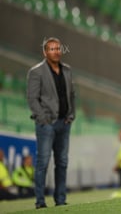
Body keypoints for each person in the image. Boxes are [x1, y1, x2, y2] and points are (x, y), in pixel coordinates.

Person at [27, 37, 76, 208]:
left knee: (62, 162)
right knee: (43, 162)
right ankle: (40, 202)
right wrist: (44, 119)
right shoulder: (36, 72)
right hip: (46, 124)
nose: (56, 52)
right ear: (45, 52)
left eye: (58, 48)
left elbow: (71, 95)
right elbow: (32, 99)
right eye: (52, 49)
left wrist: (72, 115)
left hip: (64, 123)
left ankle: (60, 200)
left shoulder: (67, 71)